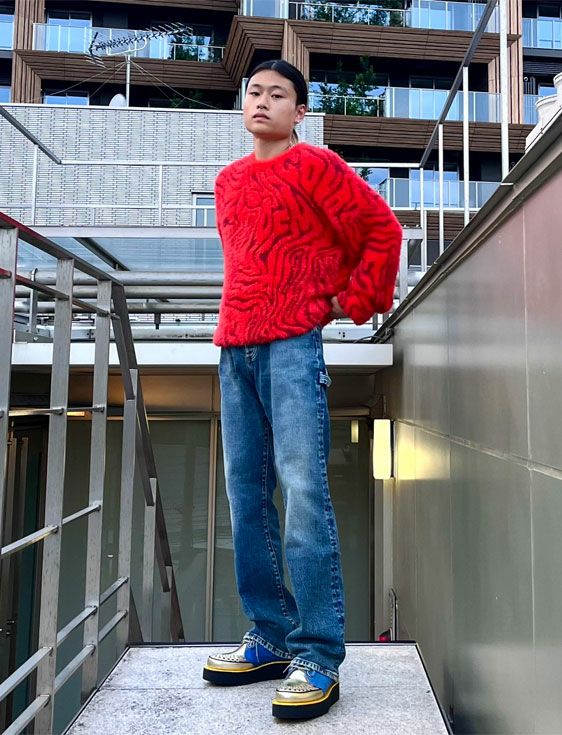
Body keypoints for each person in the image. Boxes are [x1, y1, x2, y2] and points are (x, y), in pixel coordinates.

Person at [202, 59, 403, 720]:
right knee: (245, 495)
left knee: (304, 495)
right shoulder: (228, 181)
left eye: (277, 94)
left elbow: (381, 230)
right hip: (234, 347)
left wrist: (353, 299)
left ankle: (317, 653)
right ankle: (270, 634)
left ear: (299, 111)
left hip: (292, 346)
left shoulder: (315, 166)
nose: (262, 101)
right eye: (254, 92)